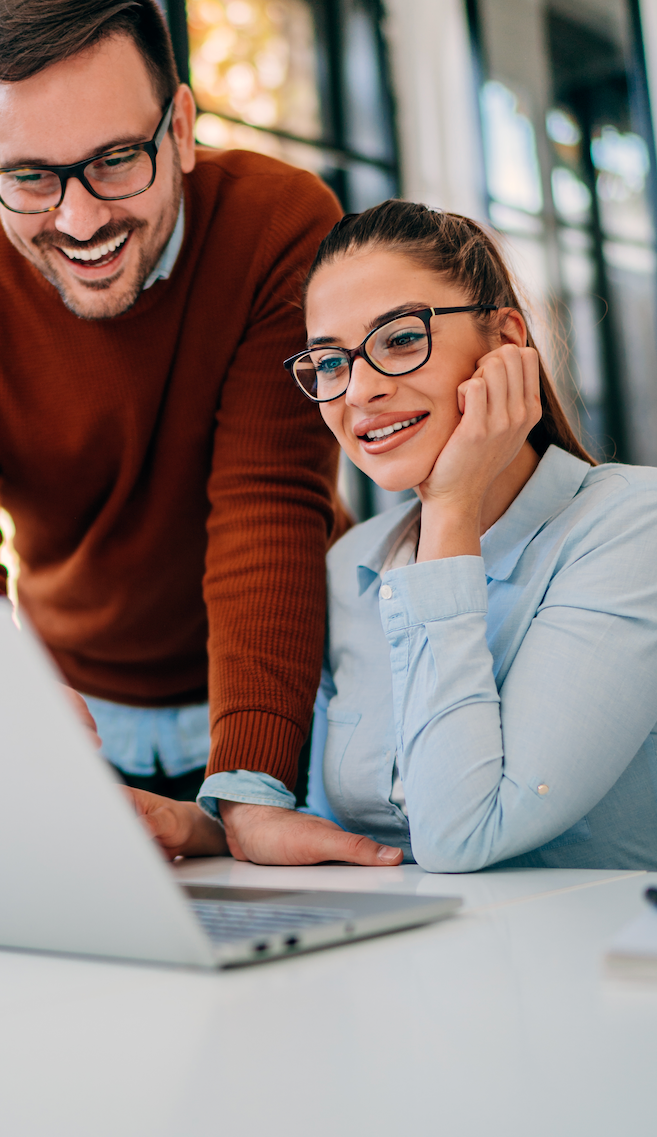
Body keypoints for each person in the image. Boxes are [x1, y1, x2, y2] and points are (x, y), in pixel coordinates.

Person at [0, 0, 398, 868]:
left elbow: (267, 505)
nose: (78, 219)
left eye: (115, 160)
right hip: (79, 713)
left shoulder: (280, 226)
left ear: (180, 129)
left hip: (294, 682)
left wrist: (254, 786)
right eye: (30, 177)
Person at [139, 198, 657, 871]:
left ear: (505, 342)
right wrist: (198, 829)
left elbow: (462, 834)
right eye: (329, 363)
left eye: (401, 339)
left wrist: (451, 509)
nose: (359, 391)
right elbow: (361, 833)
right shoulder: (352, 566)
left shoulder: (629, 528)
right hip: (409, 961)